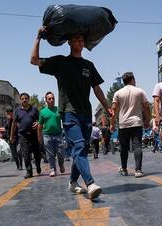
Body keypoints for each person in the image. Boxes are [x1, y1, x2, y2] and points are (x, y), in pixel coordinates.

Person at [30, 27, 111, 199]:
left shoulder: (89, 66)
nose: (80, 42)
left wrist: (107, 105)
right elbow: (34, 60)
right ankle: (90, 183)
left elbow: (97, 89)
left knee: (79, 150)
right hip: (68, 113)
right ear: (69, 42)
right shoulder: (61, 62)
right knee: (80, 147)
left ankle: (73, 182)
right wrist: (38, 38)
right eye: (76, 39)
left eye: (82, 40)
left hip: (86, 114)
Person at [110, 72, 151, 178]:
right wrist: (147, 120)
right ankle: (138, 170)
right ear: (133, 79)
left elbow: (113, 110)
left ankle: (124, 169)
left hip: (123, 124)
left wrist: (112, 123)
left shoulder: (118, 93)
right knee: (137, 146)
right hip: (136, 122)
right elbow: (146, 107)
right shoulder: (139, 91)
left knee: (124, 148)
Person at [11, 93, 41, 179]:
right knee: (26, 154)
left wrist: (38, 123)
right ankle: (29, 171)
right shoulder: (17, 111)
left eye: (26, 98)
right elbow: (14, 124)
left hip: (34, 135)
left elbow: (40, 120)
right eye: (23, 99)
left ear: (29, 99)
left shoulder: (34, 109)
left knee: (37, 153)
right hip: (23, 135)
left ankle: (38, 165)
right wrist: (11, 136)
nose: (24, 100)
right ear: (20, 100)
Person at [38, 92, 65, 177]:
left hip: (58, 134)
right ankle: (53, 169)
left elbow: (64, 120)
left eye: (53, 98)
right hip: (47, 135)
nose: (52, 100)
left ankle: (61, 165)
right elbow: (40, 125)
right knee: (50, 154)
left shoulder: (58, 109)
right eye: (49, 98)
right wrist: (39, 136)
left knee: (60, 153)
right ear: (46, 100)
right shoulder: (42, 112)